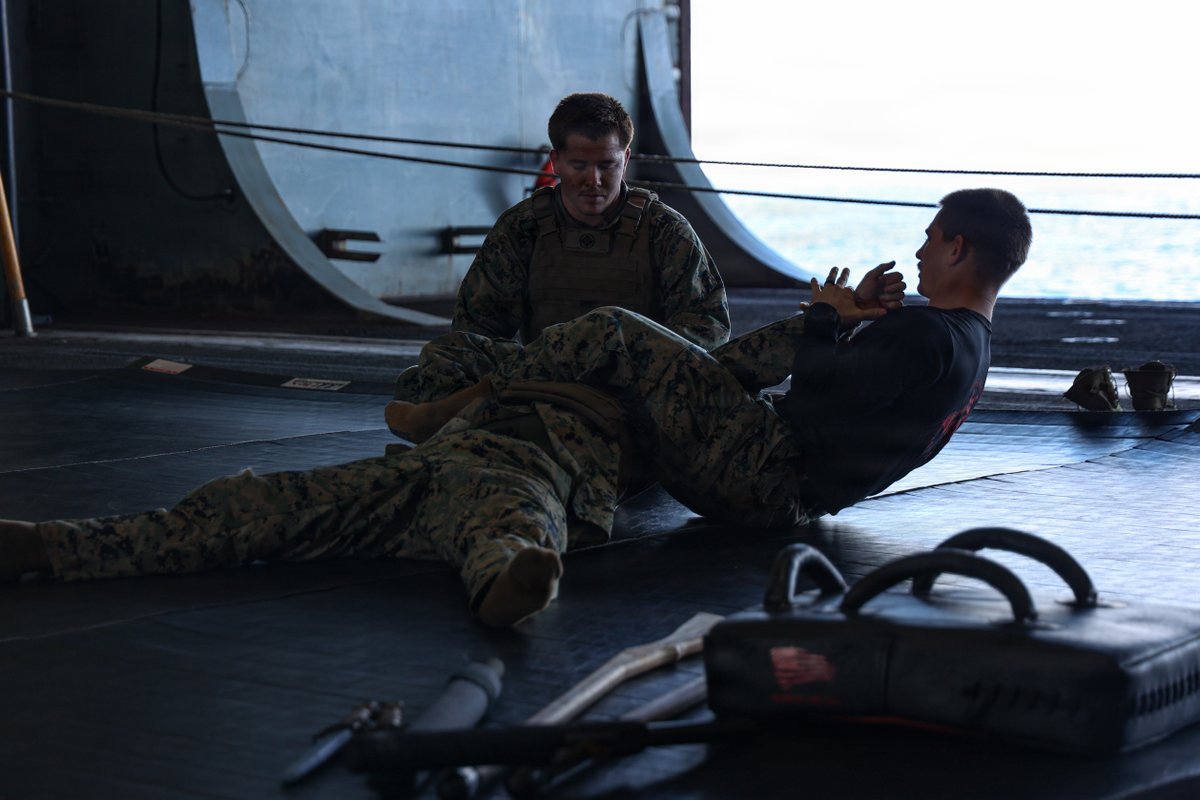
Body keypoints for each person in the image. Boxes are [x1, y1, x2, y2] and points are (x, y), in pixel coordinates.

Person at [388, 188, 1033, 530]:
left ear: (957, 248)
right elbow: (838, 390)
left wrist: (828, 320)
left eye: (929, 241)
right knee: (661, 373)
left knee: (617, 333)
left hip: (762, 476)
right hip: (777, 476)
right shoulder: (968, 348)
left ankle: (464, 405)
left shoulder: (930, 336)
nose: (918, 254)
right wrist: (844, 317)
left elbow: (813, 393)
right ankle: (468, 394)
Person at [390, 92, 730, 412]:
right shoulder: (523, 227)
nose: (593, 180)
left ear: (625, 159)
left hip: (635, 392)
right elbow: (476, 329)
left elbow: (706, 327)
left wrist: (626, 361)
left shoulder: (664, 231)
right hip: (544, 383)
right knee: (434, 366)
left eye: (607, 165)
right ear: (556, 161)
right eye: (579, 165)